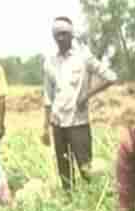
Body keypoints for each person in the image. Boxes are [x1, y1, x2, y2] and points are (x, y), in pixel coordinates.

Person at [42, 16, 117, 190]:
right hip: (57, 122)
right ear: (53, 36)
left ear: (71, 35)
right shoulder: (49, 61)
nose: (61, 38)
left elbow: (111, 77)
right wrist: (45, 127)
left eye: (64, 34)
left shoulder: (84, 57)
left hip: (78, 122)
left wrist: (87, 95)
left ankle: (92, 201)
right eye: (57, 34)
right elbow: (47, 95)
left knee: (86, 169)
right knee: (64, 170)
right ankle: (69, 202)